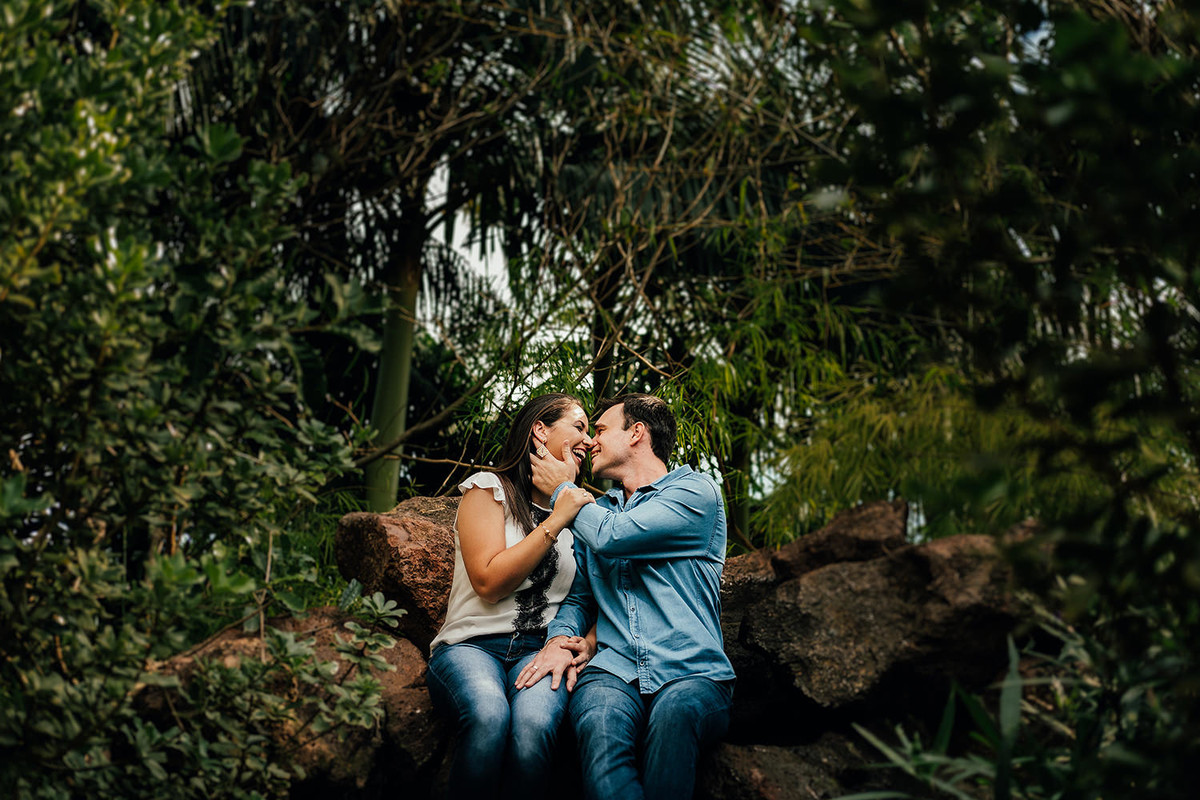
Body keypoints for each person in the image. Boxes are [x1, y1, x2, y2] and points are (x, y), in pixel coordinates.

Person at [515, 393, 736, 800]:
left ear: (637, 433)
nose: (591, 442)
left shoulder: (694, 493)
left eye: (600, 430)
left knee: (675, 714)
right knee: (598, 724)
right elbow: (580, 599)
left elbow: (615, 537)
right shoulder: (597, 510)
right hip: (613, 671)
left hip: (690, 670)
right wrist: (559, 643)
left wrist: (564, 489)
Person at [426, 393, 597, 800]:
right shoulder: (489, 490)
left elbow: (596, 594)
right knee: (488, 716)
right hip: (471, 646)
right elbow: (488, 581)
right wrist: (558, 518)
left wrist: (584, 642)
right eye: (579, 427)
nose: (589, 442)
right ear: (540, 429)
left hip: (539, 652)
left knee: (533, 729)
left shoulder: (586, 512)